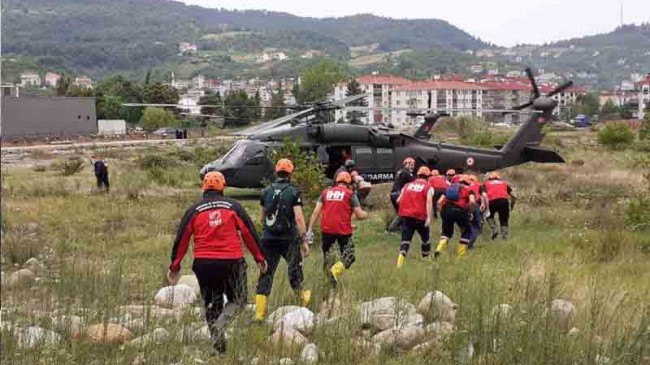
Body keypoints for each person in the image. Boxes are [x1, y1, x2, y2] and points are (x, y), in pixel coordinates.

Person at [167, 171, 267, 355]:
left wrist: (175, 266)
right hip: (232, 262)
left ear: (203, 187)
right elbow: (248, 233)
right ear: (223, 187)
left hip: (204, 264)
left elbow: (181, 239)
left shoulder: (194, 210)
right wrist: (260, 258)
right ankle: (222, 325)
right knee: (238, 299)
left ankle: (218, 349)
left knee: (212, 304)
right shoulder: (233, 206)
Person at [255, 159, 311, 321]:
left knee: (266, 273)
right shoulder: (294, 192)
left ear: (276, 172)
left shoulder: (265, 191)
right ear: (290, 173)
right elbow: (299, 219)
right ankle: (303, 300)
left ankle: (259, 313)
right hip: (289, 239)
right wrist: (304, 240)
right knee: (294, 269)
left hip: (268, 239)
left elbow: (261, 218)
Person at [307, 172, 368, 287]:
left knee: (327, 258)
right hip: (342, 231)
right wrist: (366, 214)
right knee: (349, 257)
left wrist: (310, 229)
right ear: (349, 183)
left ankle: (329, 285)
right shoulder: (350, 194)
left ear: (336, 181)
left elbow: (316, 212)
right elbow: (359, 215)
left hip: (326, 230)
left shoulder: (325, 193)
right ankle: (335, 271)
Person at [396, 166, 434, 268]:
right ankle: (426, 262)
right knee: (425, 239)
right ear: (428, 176)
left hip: (407, 216)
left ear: (417, 175)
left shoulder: (407, 185)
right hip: (420, 217)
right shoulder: (428, 187)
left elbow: (398, 201)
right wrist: (429, 217)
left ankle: (399, 265)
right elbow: (429, 202)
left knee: (405, 241)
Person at [434, 174, 476, 258]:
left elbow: (439, 202)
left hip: (446, 210)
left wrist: (442, 213)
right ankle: (461, 254)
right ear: (468, 182)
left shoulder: (450, 188)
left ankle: (439, 248)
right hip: (460, 211)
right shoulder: (469, 189)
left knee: (446, 232)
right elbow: (472, 202)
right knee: (467, 231)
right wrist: (469, 212)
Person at [481, 172, 516, 240]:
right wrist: (512, 204)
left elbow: (483, 195)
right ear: (499, 178)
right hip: (504, 201)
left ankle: (494, 229)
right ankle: (504, 237)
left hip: (491, 201)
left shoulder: (485, 184)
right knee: (504, 219)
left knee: (488, 215)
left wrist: (484, 205)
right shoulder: (504, 183)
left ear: (490, 178)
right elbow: (514, 196)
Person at [387, 157, 416, 233]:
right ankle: (392, 228)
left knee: (400, 213)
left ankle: (401, 229)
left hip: (393, 194)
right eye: (411, 165)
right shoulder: (407, 173)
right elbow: (415, 183)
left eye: (413, 165)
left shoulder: (400, 171)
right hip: (399, 195)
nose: (413, 167)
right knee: (403, 213)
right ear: (406, 164)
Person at [466, 175, 485, 249]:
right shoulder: (479, 185)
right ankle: (469, 245)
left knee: (468, 225)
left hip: (466, 206)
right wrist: (483, 203)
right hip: (475, 205)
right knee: (476, 226)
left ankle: (465, 242)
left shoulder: (465, 186)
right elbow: (482, 195)